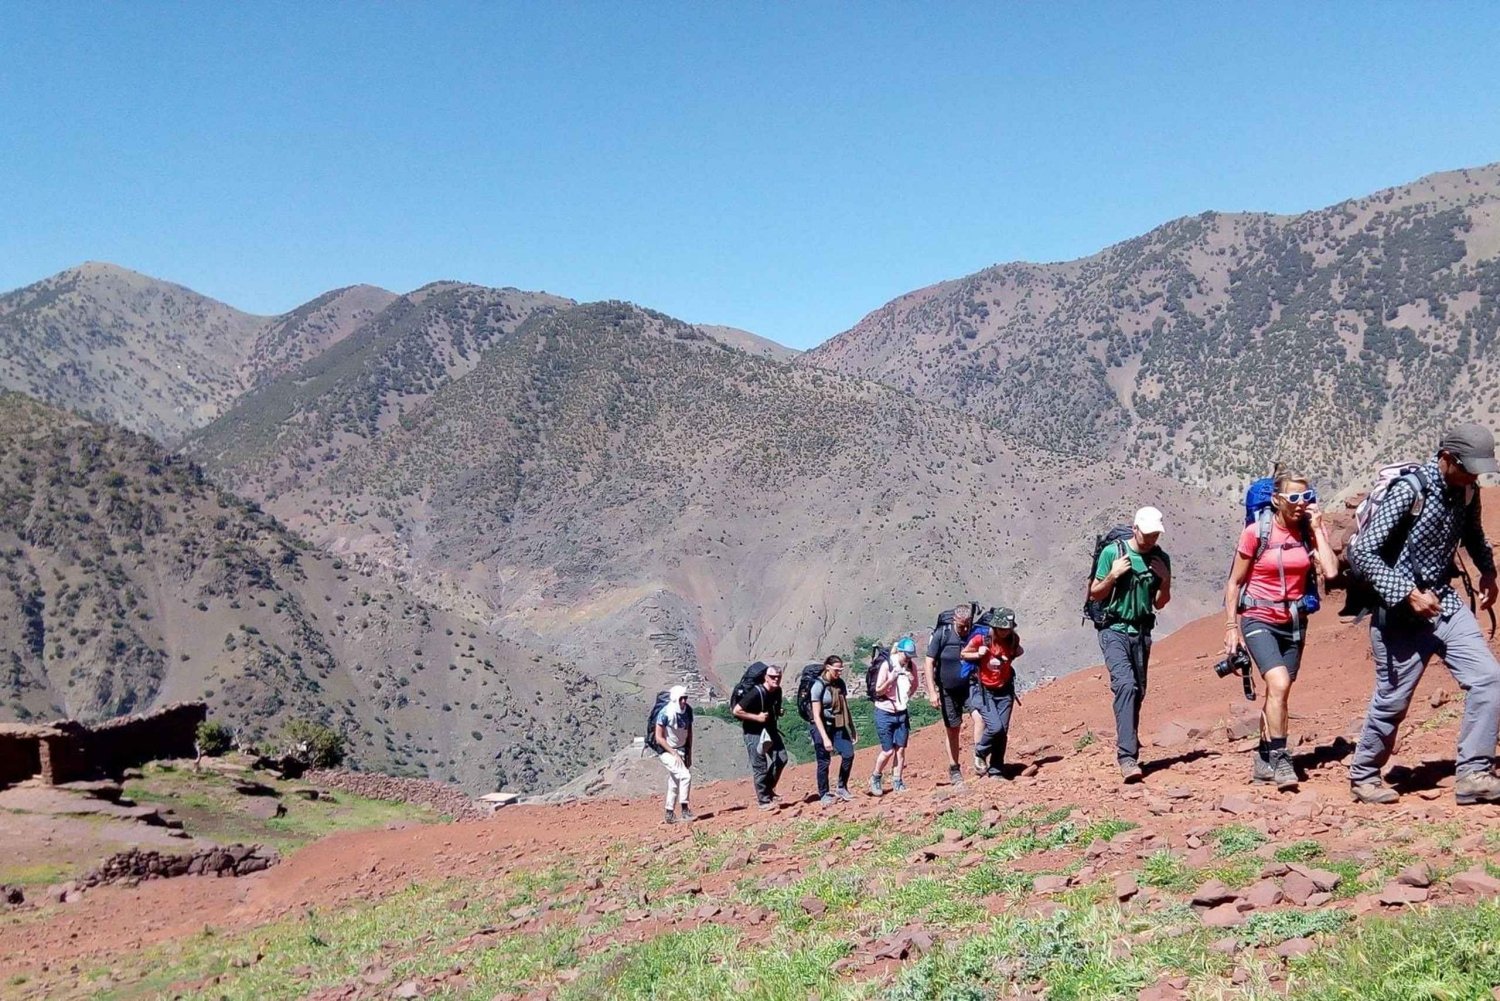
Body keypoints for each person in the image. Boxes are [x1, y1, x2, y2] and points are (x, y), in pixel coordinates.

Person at [1347, 423, 1500, 806]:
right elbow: (1363, 553)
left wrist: (1488, 571)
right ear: (1447, 458)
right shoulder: (1410, 490)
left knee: (1488, 680)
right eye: (1469, 467)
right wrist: (1407, 593)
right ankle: (1364, 774)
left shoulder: (1466, 490)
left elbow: (1473, 535)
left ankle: (1473, 775)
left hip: (1445, 604)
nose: (1475, 475)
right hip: (1400, 614)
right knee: (1393, 700)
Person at [1223, 470, 1338, 790]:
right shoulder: (1255, 532)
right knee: (1278, 681)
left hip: (1295, 622)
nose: (1301, 504)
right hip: (1258, 617)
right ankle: (1282, 759)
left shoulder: (1309, 530)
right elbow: (1234, 582)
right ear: (1277, 500)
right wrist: (1232, 627)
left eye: (1306, 496)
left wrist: (1317, 529)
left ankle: (1263, 758)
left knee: (1280, 691)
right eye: (1293, 498)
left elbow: (1330, 571)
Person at [1089, 506, 1173, 782]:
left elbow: (1160, 603)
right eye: (1147, 533)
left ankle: (1129, 740)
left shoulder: (1160, 559)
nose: (1151, 540)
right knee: (1126, 685)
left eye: (1155, 535)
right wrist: (1113, 575)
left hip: (1141, 631)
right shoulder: (1113, 553)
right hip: (1114, 629)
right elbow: (1095, 594)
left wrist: (1165, 579)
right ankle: (1127, 757)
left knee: (1138, 692)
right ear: (1136, 529)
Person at [962, 608, 1022, 778]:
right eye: (1002, 628)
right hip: (985, 691)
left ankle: (996, 769)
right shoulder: (982, 639)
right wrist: (977, 654)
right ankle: (980, 752)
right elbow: (963, 653)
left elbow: (1018, 651)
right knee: (995, 728)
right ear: (995, 627)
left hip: (1005, 690)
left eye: (1008, 628)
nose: (1005, 632)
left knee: (1002, 731)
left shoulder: (1013, 640)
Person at [925, 603, 978, 785]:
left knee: (980, 717)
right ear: (955, 620)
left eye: (967, 625)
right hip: (947, 689)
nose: (964, 629)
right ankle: (954, 767)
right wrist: (932, 692)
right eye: (961, 625)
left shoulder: (974, 634)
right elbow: (929, 662)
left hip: (970, 686)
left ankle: (979, 758)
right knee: (953, 729)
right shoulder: (943, 634)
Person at [733, 665, 788, 810]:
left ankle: (768, 789)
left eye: (778, 677)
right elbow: (737, 710)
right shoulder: (755, 693)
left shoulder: (778, 691)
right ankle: (763, 801)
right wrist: (757, 718)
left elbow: (776, 707)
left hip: (770, 730)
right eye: (772, 677)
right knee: (760, 766)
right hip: (754, 732)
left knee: (781, 758)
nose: (776, 680)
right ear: (765, 677)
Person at [869, 638, 917, 795]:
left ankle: (898, 780)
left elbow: (915, 684)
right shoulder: (887, 665)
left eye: (911, 656)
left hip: (901, 712)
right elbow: (878, 691)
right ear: (901, 652)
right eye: (907, 655)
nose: (909, 658)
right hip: (885, 712)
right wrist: (891, 679)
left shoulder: (911, 666)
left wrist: (907, 694)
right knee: (888, 751)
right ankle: (876, 776)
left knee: (900, 750)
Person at [809, 655, 857, 805]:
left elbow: (844, 707)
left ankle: (842, 787)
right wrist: (825, 738)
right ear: (827, 667)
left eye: (841, 669)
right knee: (824, 761)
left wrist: (851, 727)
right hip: (821, 726)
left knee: (848, 754)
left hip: (838, 724)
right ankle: (824, 793)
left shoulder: (839, 684)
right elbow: (816, 715)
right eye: (837, 669)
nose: (839, 672)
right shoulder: (818, 686)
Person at [654, 685, 694, 824]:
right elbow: (659, 737)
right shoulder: (665, 713)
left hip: (681, 749)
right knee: (685, 776)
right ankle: (685, 809)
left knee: (675, 781)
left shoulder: (688, 711)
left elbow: (689, 732)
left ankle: (669, 812)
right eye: (681, 698)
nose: (684, 701)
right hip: (666, 751)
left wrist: (688, 751)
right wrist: (673, 753)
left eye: (685, 698)